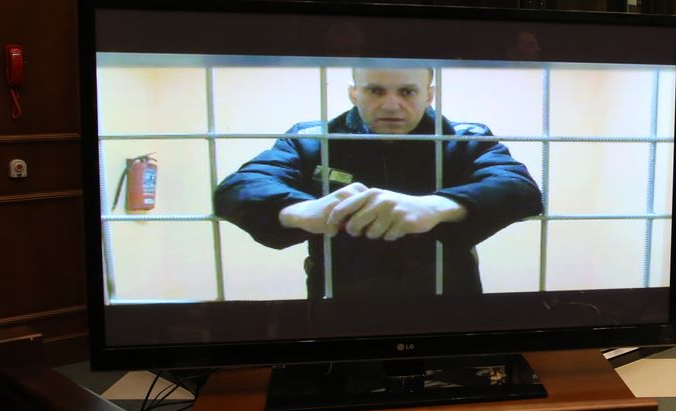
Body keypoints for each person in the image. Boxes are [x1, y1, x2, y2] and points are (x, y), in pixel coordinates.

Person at [214, 66, 543, 298]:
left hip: (449, 302)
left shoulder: (464, 137)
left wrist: (435, 207)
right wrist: (303, 212)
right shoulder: (311, 138)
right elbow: (237, 188)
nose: (390, 105)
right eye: (375, 90)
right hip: (342, 305)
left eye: (406, 91)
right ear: (354, 93)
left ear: (428, 95)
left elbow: (520, 188)